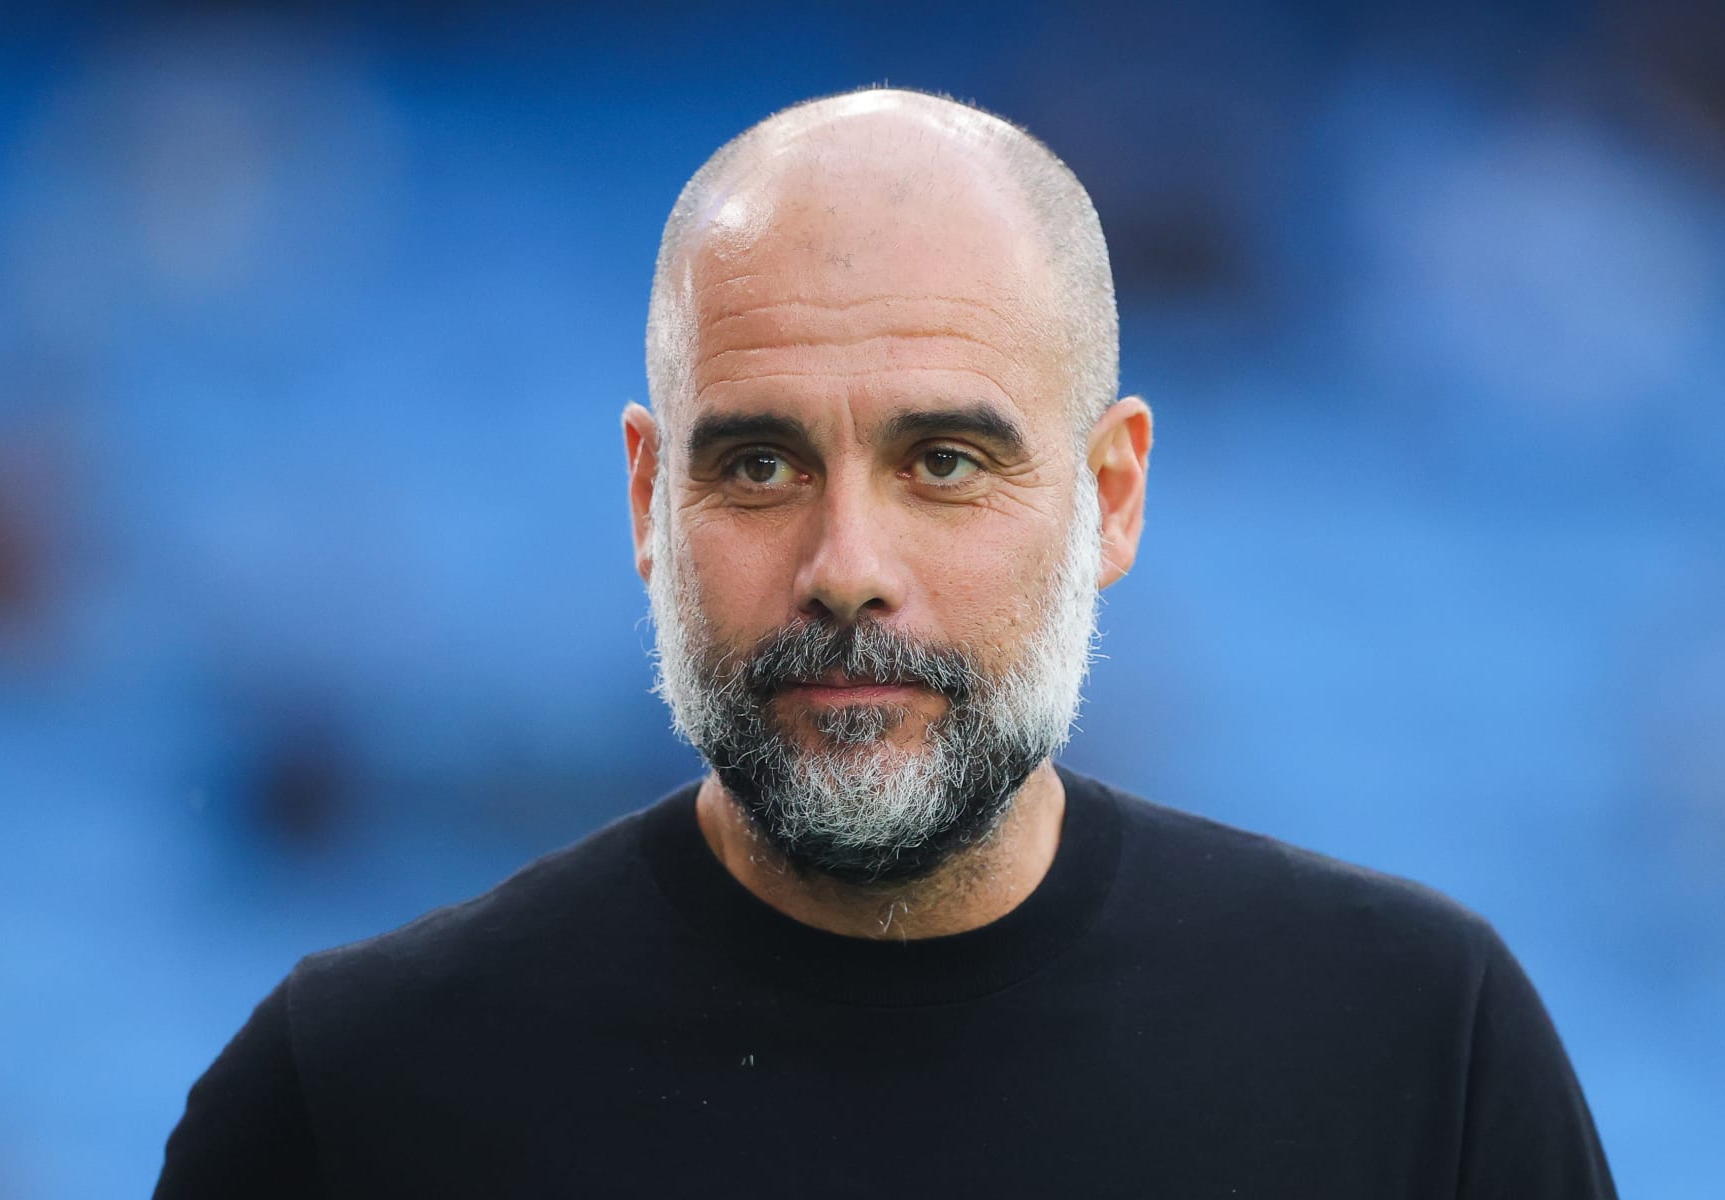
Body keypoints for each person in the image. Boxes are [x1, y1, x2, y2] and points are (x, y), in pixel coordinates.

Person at [155, 88, 1615, 1198]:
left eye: (945, 463)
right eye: (763, 467)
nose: (848, 570)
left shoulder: (1422, 1051)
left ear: (1110, 497)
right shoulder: (350, 1102)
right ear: (649, 501)